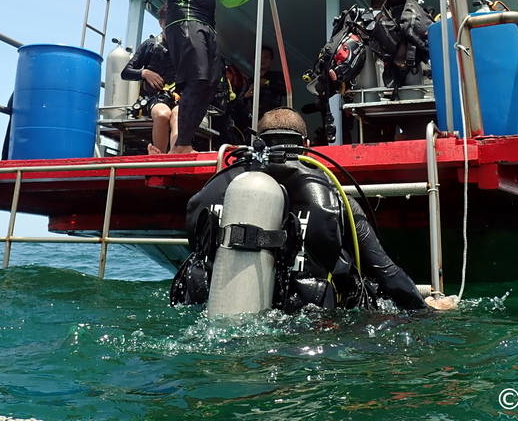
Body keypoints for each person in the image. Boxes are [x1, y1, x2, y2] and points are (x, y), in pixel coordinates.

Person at [170, 107, 457, 311]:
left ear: (256, 142)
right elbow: (384, 271)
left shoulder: (213, 189)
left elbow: (197, 249)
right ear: (306, 146)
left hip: (216, 313)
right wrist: (425, 309)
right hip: (305, 325)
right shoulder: (333, 197)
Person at [141, 0, 267, 154]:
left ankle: (179, 146)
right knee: (197, 78)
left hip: (207, 26)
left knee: (211, 83)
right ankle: (181, 146)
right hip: (183, 21)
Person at [122, 5, 177, 154]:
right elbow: (125, 72)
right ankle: (158, 157)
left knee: (179, 114)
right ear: (161, 22)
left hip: (178, 98)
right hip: (154, 98)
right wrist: (144, 73)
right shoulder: (149, 45)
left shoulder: (185, 48)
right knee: (162, 114)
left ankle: (175, 155)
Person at [244, 45, 287, 120]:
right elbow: (239, 102)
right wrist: (247, 95)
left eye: (266, 57)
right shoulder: (249, 81)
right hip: (250, 120)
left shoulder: (277, 76)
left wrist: (267, 82)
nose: (262, 60)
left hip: (271, 120)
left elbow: (285, 91)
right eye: (260, 57)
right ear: (254, 60)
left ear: (271, 61)